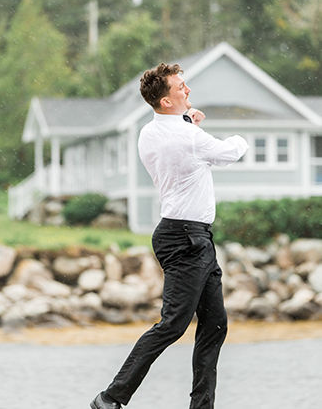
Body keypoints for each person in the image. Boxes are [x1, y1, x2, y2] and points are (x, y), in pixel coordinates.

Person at [90, 62, 249, 409]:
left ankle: (201, 406)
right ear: (165, 101)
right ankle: (111, 397)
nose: (187, 90)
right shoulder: (188, 137)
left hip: (186, 236)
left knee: (215, 323)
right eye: (180, 87)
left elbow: (179, 139)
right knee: (173, 324)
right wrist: (241, 138)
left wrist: (188, 118)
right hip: (187, 237)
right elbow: (229, 153)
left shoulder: (151, 132)